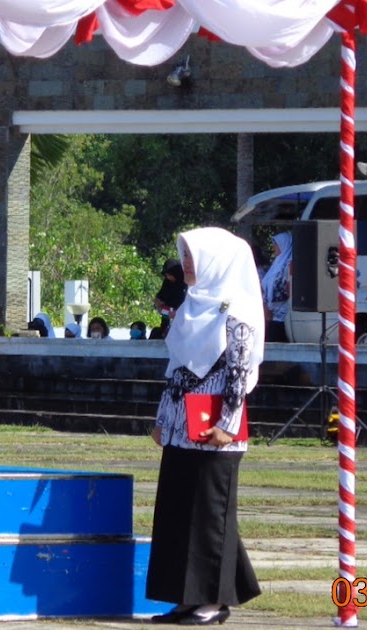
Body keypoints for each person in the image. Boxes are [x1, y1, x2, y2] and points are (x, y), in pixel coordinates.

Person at [146, 227, 264, 625]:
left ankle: (213, 601)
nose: (187, 265)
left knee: (211, 514)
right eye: (186, 256)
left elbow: (239, 373)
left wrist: (228, 425)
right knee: (177, 512)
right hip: (182, 426)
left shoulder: (238, 311)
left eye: (195, 257)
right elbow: (175, 368)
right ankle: (184, 597)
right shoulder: (191, 307)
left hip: (216, 429)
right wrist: (163, 420)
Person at [260, 231, 292, 343]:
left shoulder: (288, 264)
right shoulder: (277, 264)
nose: (274, 247)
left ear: (284, 244)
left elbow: (287, 289)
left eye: (276, 244)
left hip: (282, 316)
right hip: (270, 315)